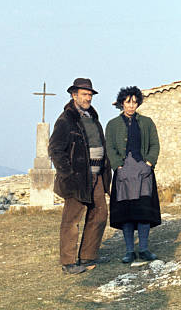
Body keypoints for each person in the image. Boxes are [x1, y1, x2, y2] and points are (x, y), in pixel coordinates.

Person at [48, 78, 112, 274]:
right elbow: (55, 149)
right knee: (72, 219)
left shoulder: (93, 118)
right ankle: (68, 262)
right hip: (78, 178)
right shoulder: (66, 119)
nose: (88, 98)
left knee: (100, 214)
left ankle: (87, 256)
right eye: (84, 94)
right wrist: (69, 174)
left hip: (97, 175)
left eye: (90, 94)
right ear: (74, 95)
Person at [105, 86, 161, 264]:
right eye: (128, 102)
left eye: (134, 102)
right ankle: (129, 251)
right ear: (122, 102)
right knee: (126, 213)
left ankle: (143, 248)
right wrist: (117, 167)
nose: (131, 105)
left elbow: (154, 145)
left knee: (143, 211)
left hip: (143, 172)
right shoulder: (112, 125)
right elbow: (110, 148)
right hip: (124, 173)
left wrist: (149, 164)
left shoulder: (147, 122)